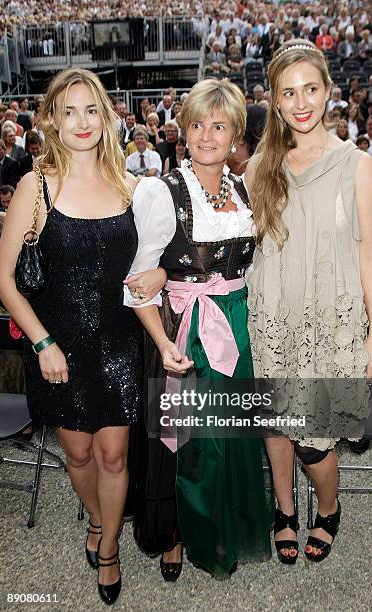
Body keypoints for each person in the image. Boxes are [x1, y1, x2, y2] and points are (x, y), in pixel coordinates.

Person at [0, 68, 165, 606]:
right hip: (57, 350)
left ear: (107, 116)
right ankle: (96, 518)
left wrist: (160, 274)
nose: (82, 122)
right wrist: (43, 343)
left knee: (114, 454)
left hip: (118, 344)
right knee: (78, 456)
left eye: (92, 109)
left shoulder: (131, 186)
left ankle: (110, 544)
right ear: (50, 119)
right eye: (69, 111)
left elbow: (162, 256)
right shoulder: (35, 185)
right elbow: (5, 282)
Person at [124, 78, 274, 580]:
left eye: (219, 125)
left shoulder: (242, 188)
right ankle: (176, 534)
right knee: (189, 445)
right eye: (196, 124)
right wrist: (164, 342)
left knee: (232, 437)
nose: (207, 136)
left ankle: (221, 530)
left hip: (238, 325)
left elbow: (250, 268)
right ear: (182, 132)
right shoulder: (161, 191)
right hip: (185, 329)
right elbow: (138, 282)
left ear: (235, 136)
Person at [245, 39, 372, 564]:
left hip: (330, 321)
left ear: (328, 90)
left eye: (310, 88)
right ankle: (284, 509)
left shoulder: (358, 166)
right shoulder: (260, 168)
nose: (301, 102)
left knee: (314, 440)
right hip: (273, 316)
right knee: (277, 422)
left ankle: (328, 506)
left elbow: (371, 253)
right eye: (288, 93)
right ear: (275, 101)